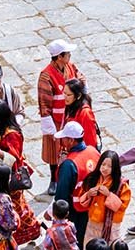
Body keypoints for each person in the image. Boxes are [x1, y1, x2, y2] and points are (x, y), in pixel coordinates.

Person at [38, 40, 83, 183]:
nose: (70, 56)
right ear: (59, 57)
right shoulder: (46, 76)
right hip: (55, 119)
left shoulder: (70, 67)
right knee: (54, 149)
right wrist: (49, 127)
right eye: (67, 54)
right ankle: (53, 179)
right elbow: (44, 102)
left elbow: (79, 78)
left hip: (71, 115)